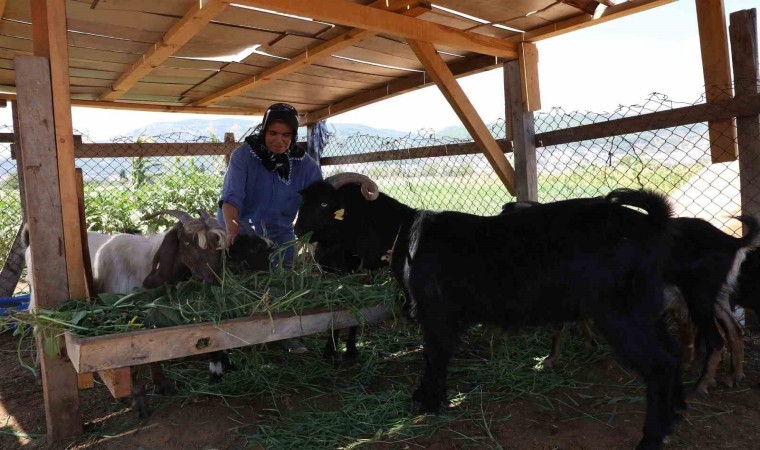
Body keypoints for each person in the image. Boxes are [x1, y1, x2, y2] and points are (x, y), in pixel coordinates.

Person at [217, 102, 322, 353]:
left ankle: (285, 335)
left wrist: (311, 234)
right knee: (241, 286)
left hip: (280, 234)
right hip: (243, 232)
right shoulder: (244, 156)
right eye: (273, 133)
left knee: (283, 286)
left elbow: (317, 202)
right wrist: (233, 230)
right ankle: (238, 338)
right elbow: (230, 199)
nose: (279, 140)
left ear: (294, 136)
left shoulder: (306, 166)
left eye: (286, 135)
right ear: (264, 131)